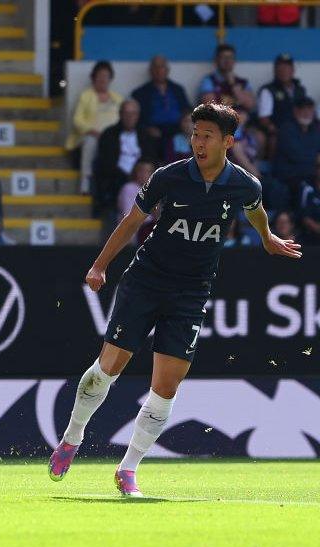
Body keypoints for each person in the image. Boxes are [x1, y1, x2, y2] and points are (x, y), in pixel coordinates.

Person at [48, 103, 301, 497]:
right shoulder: (169, 177)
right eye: (195, 133)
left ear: (228, 142)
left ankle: (129, 468)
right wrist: (100, 267)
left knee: (166, 387)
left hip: (192, 291)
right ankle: (72, 437)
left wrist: (268, 238)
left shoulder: (245, 185)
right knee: (109, 368)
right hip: (146, 281)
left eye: (207, 136)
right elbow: (132, 220)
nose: (198, 142)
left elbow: (257, 212)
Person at [93, 99, 157, 219]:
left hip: (143, 179)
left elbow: (151, 159)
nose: (130, 117)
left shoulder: (145, 134)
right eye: (126, 113)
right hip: (116, 180)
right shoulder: (109, 134)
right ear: (120, 114)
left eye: (133, 113)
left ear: (138, 115)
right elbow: (105, 163)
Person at [68, 61, 124, 195]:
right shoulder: (86, 96)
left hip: (113, 136)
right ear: (93, 77)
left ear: (110, 78)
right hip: (92, 135)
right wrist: (93, 131)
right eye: (100, 75)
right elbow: (77, 120)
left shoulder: (117, 98)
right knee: (90, 142)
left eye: (106, 76)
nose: (103, 79)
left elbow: (124, 118)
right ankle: (85, 183)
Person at [130, 55, 191, 142]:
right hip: (153, 134)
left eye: (162, 67)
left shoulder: (178, 90)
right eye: (155, 67)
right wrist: (147, 129)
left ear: (167, 70)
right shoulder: (140, 93)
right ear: (150, 71)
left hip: (178, 131)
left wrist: (186, 126)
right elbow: (135, 119)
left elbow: (187, 111)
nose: (159, 70)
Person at [256, 54, 308, 145]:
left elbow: (306, 111)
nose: (284, 71)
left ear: (293, 70)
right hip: (279, 131)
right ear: (275, 70)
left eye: (287, 67)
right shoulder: (268, 90)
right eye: (281, 68)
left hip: (299, 129)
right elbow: (264, 119)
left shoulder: (300, 89)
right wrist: (279, 131)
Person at [198, 44, 255, 110]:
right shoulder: (209, 81)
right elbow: (209, 107)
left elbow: (250, 105)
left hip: (241, 118)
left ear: (234, 61)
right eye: (223, 57)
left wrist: (233, 84)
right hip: (219, 119)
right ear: (216, 60)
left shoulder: (243, 82)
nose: (227, 61)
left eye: (230, 58)